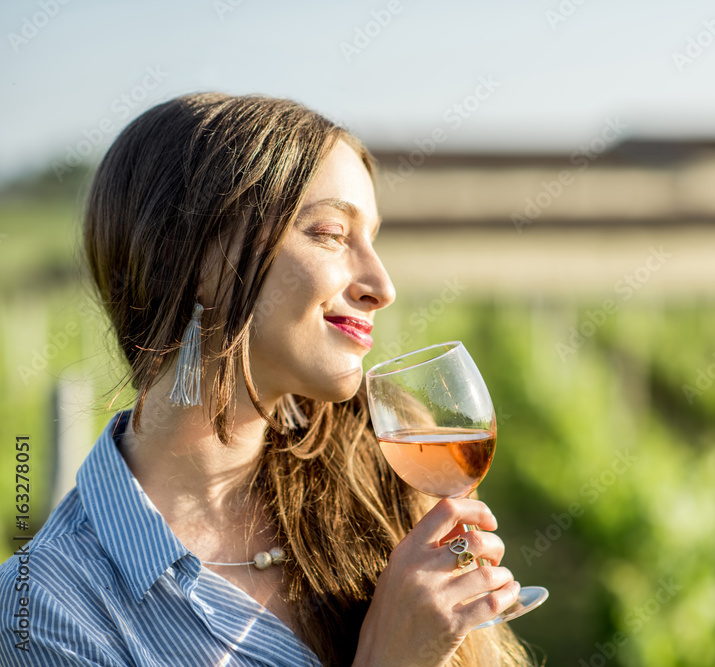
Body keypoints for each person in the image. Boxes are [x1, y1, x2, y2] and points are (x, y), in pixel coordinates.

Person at [0, 93, 533, 666]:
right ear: (195, 258)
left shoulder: (379, 467)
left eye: (372, 238)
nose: (381, 283)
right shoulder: (48, 611)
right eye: (331, 233)